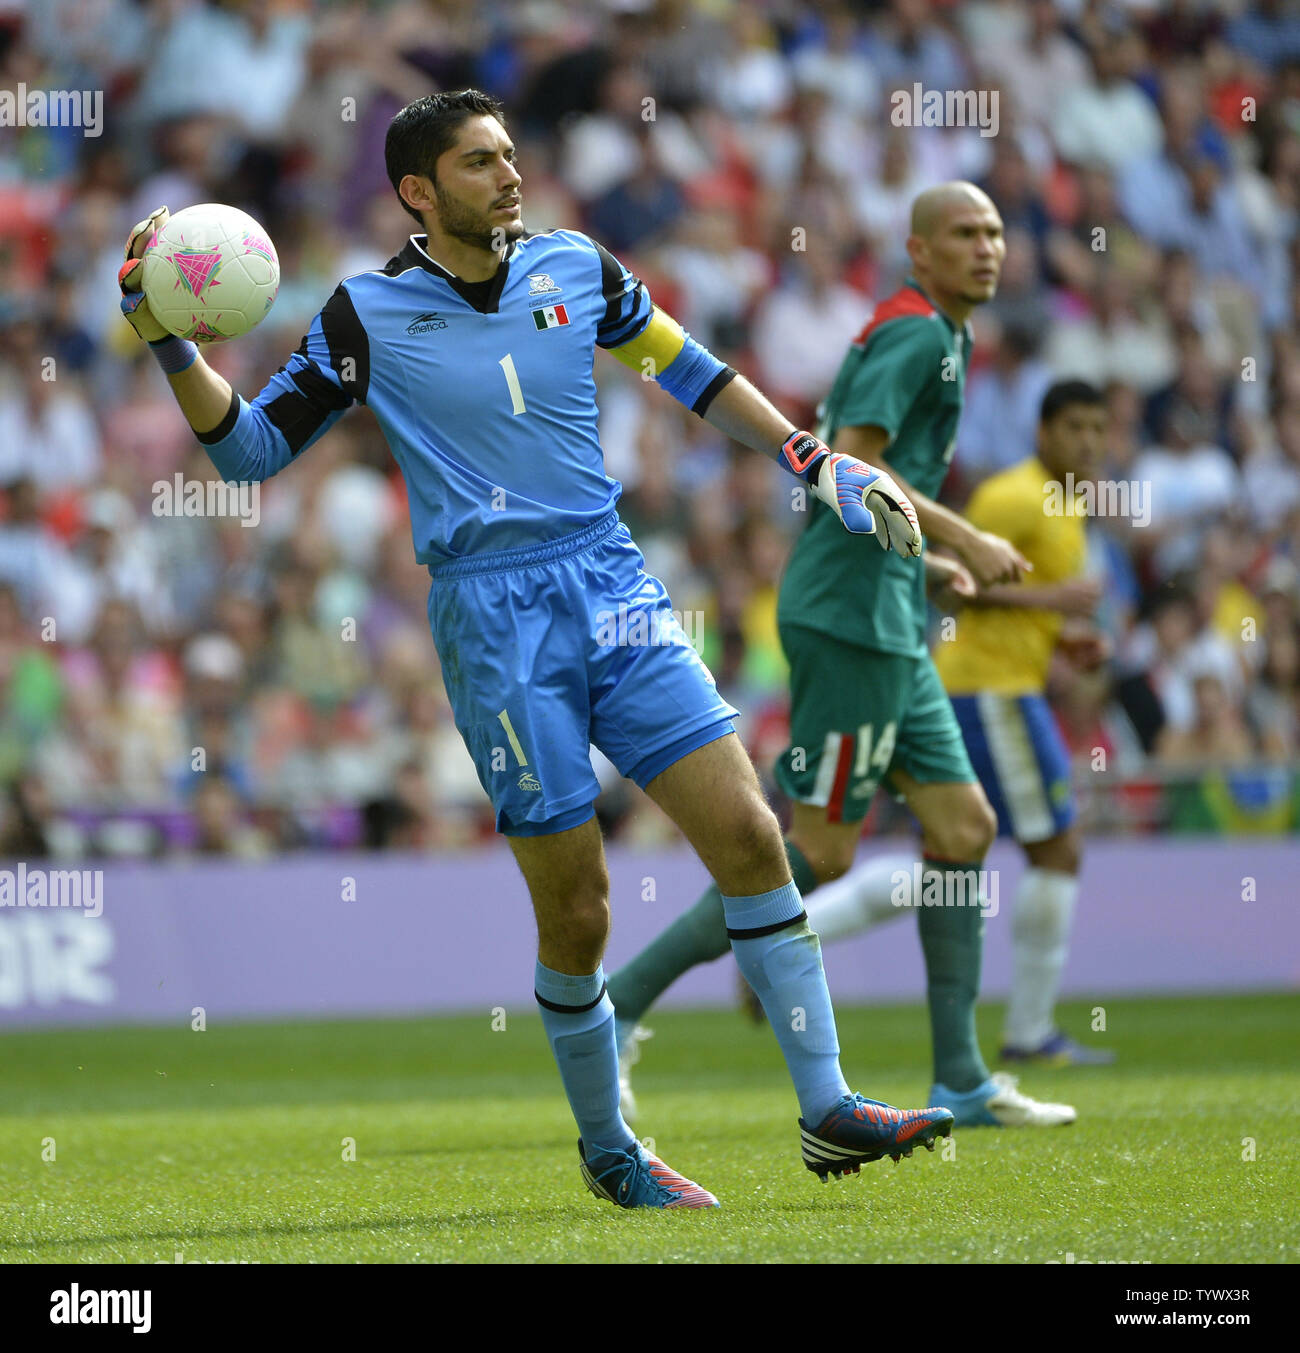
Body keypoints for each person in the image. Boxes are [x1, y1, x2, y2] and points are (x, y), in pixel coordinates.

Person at [118, 89, 950, 1209]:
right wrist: (169, 340)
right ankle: (611, 1150)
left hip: (612, 581)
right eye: (479, 163)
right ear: (418, 191)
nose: (510, 176)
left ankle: (829, 1109)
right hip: (493, 617)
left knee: (752, 837)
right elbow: (252, 453)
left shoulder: (580, 268)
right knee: (577, 908)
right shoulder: (364, 314)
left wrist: (812, 460)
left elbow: (691, 373)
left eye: (510, 155)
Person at [611, 183, 1077, 1130]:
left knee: (962, 825)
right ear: (918, 251)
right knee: (818, 851)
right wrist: (970, 538)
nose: (987, 247)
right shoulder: (913, 337)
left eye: (995, 231)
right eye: (964, 233)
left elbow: (878, 493)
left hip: (891, 613)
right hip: (847, 621)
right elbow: (853, 464)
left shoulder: (945, 335)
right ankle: (618, 1004)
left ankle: (961, 1078)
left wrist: (929, 561)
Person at [802, 381, 1117, 1067]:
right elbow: (962, 589)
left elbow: (1004, 601)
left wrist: (1059, 638)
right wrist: (1056, 601)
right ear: (1043, 431)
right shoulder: (1012, 496)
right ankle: (1030, 1032)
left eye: (1099, 427)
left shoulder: (1068, 503)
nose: (1089, 442)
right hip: (989, 691)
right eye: (1075, 428)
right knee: (1056, 849)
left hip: (996, 687)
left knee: (948, 866)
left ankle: (802, 930)